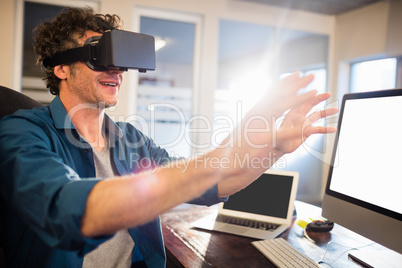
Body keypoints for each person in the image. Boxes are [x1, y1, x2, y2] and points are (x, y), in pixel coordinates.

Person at [0, 7, 338, 268]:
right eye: (100, 56)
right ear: (61, 68)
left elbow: (213, 184)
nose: (116, 71)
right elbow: (68, 211)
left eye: (120, 60)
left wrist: (274, 148)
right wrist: (237, 139)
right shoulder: (22, 132)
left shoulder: (129, 139)